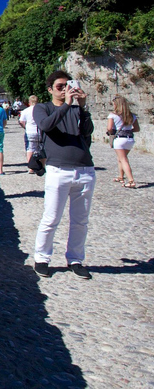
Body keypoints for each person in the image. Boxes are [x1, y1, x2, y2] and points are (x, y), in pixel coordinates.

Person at [32, 70, 95, 279]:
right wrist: (67, 104)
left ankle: (75, 259)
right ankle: (42, 258)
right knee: (51, 218)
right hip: (58, 170)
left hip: (84, 169)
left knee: (80, 220)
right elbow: (46, 125)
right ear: (50, 89)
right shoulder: (43, 108)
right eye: (60, 86)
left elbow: (87, 132)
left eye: (68, 85)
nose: (64, 89)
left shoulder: (77, 110)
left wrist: (83, 108)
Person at [108, 95, 140, 188]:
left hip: (119, 139)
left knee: (123, 159)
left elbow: (109, 128)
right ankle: (121, 177)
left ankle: (131, 180)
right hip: (130, 139)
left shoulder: (112, 115)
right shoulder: (132, 116)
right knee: (121, 158)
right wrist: (128, 130)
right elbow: (137, 129)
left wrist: (111, 132)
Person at [19, 95, 42, 173]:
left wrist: (25, 127)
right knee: (40, 149)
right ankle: (41, 166)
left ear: (29, 102)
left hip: (30, 131)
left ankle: (31, 167)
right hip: (39, 131)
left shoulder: (26, 111)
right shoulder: (41, 110)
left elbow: (21, 121)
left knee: (30, 149)